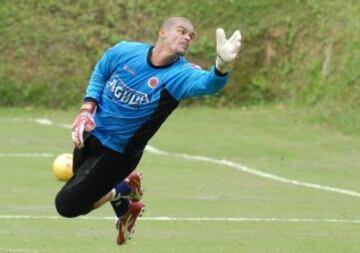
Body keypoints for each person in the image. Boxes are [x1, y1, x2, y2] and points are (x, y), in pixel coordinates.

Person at [55, 16, 241, 245]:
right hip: (91, 133)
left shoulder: (180, 76)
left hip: (117, 154)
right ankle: (126, 210)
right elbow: (102, 70)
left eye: (191, 36)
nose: (187, 38)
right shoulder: (125, 51)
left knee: (68, 205)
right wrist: (87, 108)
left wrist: (222, 66)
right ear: (162, 32)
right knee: (83, 191)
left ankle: (123, 186)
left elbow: (209, 84)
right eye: (182, 31)